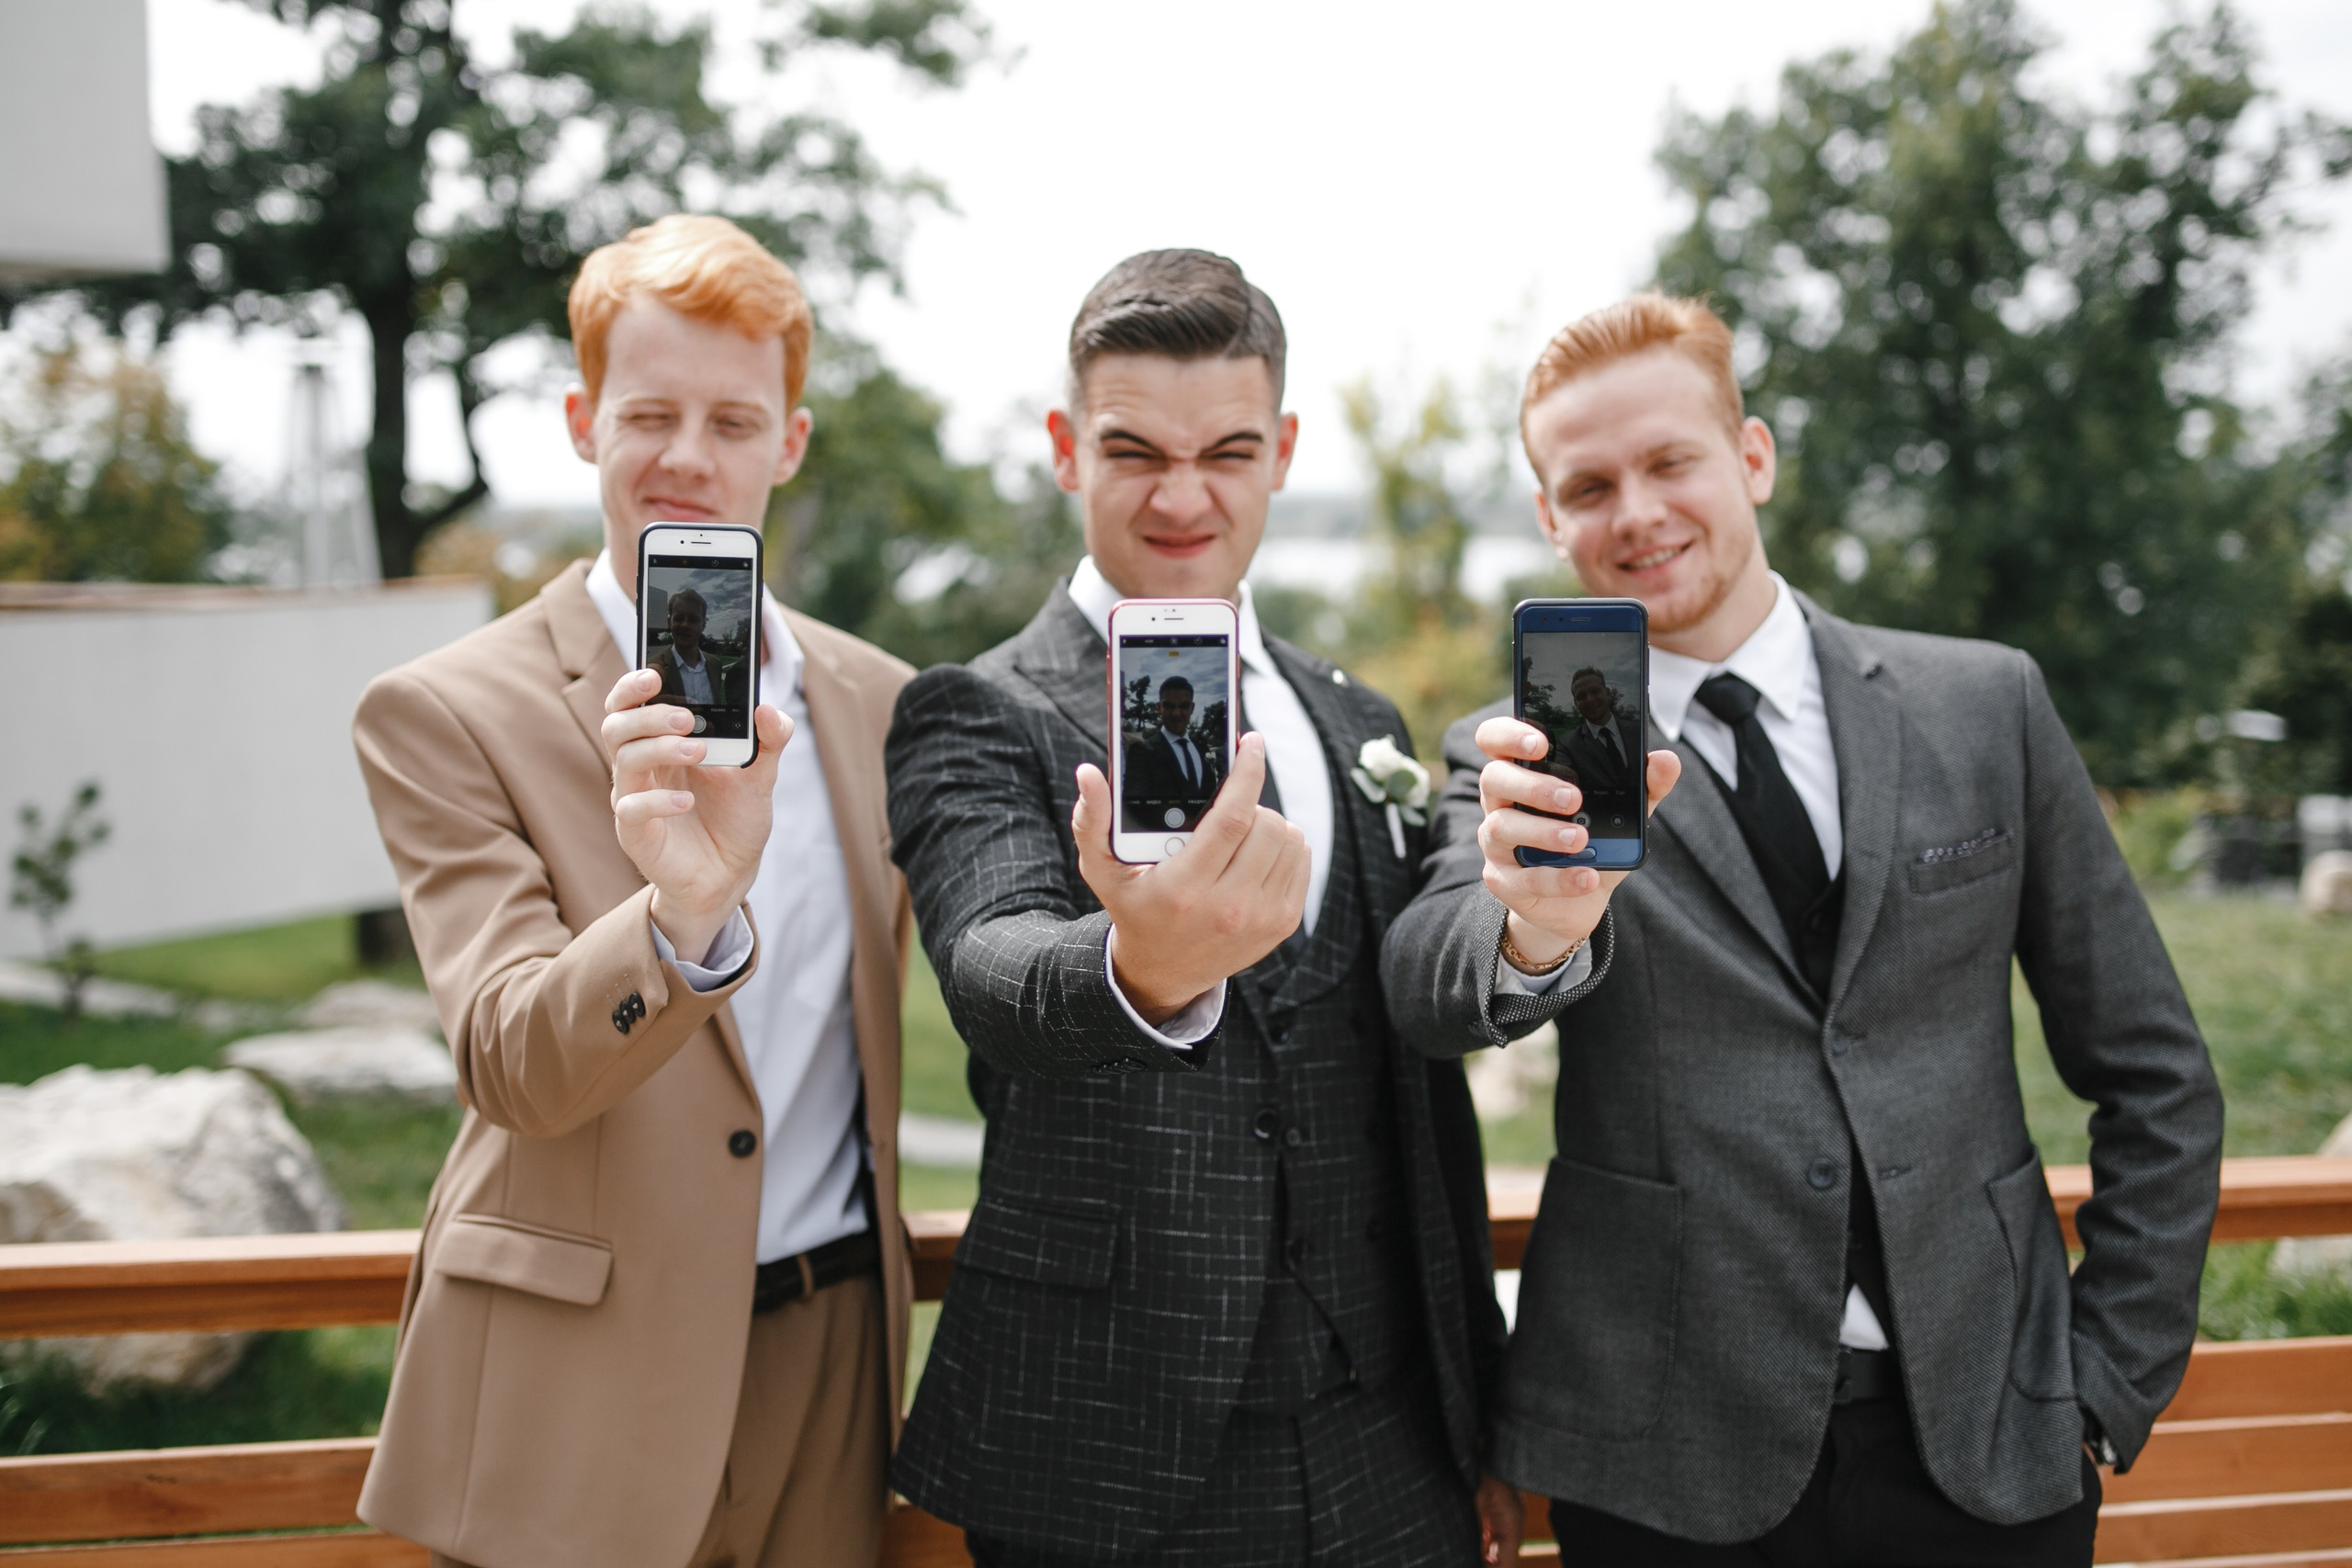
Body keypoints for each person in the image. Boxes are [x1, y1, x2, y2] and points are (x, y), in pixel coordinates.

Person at [1383, 291, 2223, 1566]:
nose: (1640, 511)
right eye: (1590, 484)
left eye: (1672, 461)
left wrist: (2107, 1381)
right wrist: (1532, 928)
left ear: (1753, 456)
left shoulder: (1983, 705)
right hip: (1663, 1461)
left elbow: (2154, 1069)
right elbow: (1430, 984)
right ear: (1552, 517)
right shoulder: (1524, 760)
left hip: (1995, 1439)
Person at [885, 250, 1550, 1567]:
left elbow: (1417, 1099)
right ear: (1068, 445)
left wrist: (1474, 1408)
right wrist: (1140, 965)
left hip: (1392, 1446)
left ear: (1285, 450)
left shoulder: (1361, 719)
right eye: (1135, 449)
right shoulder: (977, 708)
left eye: (1228, 450)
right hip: (1106, 1453)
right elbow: (990, 963)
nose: (1183, 495)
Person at [352, 214, 916, 1568]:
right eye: (649, 412)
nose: (687, 456)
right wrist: (678, 924)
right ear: (582, 419)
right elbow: (510, 1062)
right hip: (577, 1373)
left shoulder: (880, 699)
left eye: (734, 419)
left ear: (790, 441)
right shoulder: (445, 710)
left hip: (831, 1360)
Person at [1124, 674, 1221, 825]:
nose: (1176, 713)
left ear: (1192, 708)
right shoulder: (1142, 752)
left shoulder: (1201, 749)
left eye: (1184, 706)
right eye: (1169, 706)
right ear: (1159, 708)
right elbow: (1137, 806)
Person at [650, 587, 748, 711]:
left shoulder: (715, 665)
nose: (685, 625)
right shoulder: (653, 669)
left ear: (703, 624)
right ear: (669, 622)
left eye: (693, 620)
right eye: (679, 618)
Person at [1558, 669, 1639, 803]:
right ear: (1576, 704)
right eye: (1581, 696)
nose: (1589, 700)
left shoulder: (1638, 731)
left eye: (1595, 692)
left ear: (1607, 693)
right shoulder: (1568, 744)